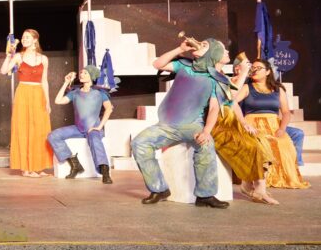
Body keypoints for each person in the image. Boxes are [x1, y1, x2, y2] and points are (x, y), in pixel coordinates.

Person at [130, 38, 230, 209]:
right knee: (139, 142)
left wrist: (206, 131)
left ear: (213, 53)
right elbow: (158, 64)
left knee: (206, 146)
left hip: (192, 126)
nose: (199, 43)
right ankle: (159, 189)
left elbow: (214, 108)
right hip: (166, 126)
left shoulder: (216, 79)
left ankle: (205, 195)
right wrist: (179, 49)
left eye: (205, 44)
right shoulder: (185, 65)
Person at [210, 53, 278, 205]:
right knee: (251, 145)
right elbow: (230, 97)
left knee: (261, 142)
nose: (251, 68)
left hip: (232, 121)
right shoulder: (217, 77)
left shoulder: (224, 77)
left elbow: (232, 104)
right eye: (248, 64)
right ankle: (257, 188)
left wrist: (243, 122)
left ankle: (251, 186)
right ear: (237, 68)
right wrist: (242, 75)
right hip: (220, 123)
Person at [236, 59, 310, 189]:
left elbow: (286, 112)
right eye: (253, 67)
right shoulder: (247, 87)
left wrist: (282, 128)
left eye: (259, 68)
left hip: (274, 123)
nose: (255, 70)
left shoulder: (277, 89)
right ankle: (262, 179)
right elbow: (232, 102)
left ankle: (290, 172)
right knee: (263, 142)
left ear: (268, 72)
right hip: (253, 123)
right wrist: (243, 122)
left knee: (284, 142)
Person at [1, 29, 53, 177]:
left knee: (39, 130)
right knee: (23, 129)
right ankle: (25, 168)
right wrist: (8, 56)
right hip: (23, 94)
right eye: (23, 37)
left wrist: (48, 102)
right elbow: (4, 71)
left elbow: (45, 81)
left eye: (27, 37)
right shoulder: (18, 56)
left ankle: (37, 166)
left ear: (35, 39)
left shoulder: (43, 59)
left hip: (38, 95)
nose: (24, 39)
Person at [48, 65, 114, 183]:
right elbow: (58, 101)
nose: (81, 74)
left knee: (95, 140)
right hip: (78, 129)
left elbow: (109, 109)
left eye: (85, 73)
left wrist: (99, 127)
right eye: (81, 73)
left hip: (93, 129)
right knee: (53, 135)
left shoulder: (100, 93)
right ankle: (75, 164)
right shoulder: (75, 93)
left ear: (92, 76)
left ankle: (105, 171)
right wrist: (65, 83)